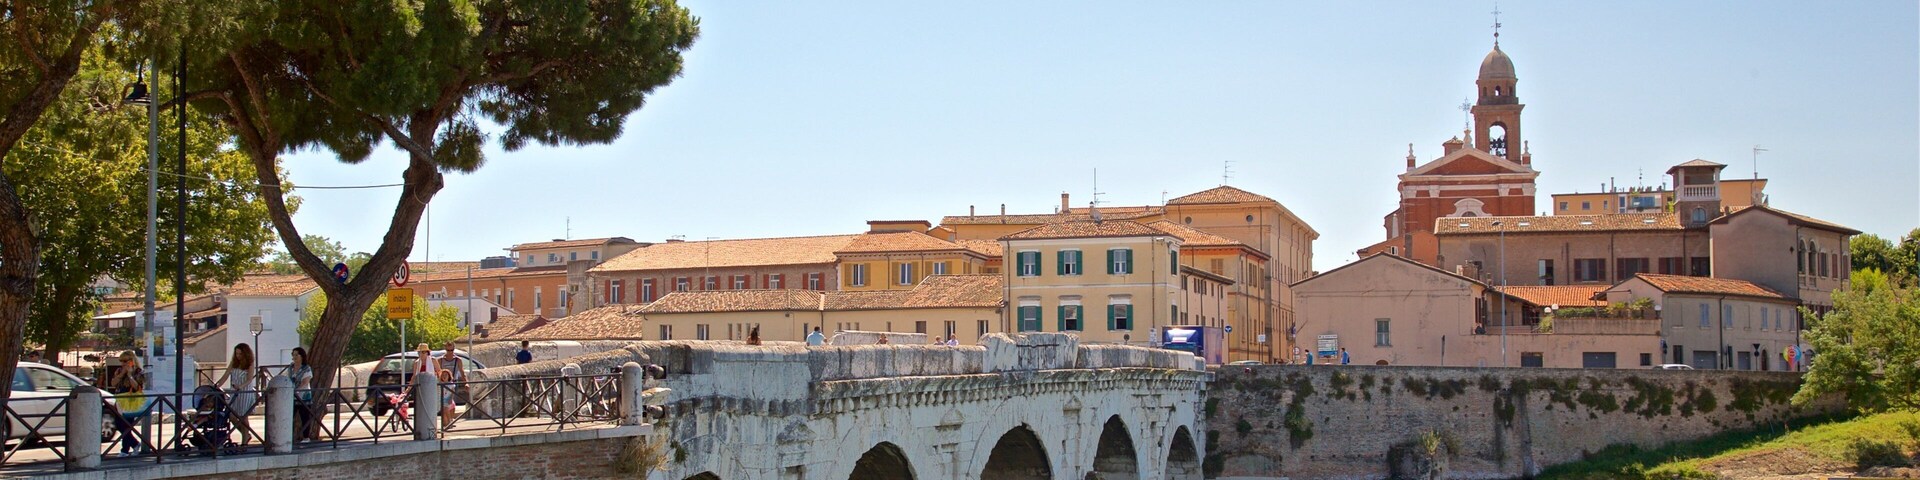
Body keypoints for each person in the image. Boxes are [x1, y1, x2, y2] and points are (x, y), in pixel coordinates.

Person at [106, 351, 149, 455]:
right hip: (120, 399)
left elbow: (137, 387)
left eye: (125, 361)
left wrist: (130, 375)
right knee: (119, 424)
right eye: (121, 361)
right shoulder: (119, 370)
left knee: (126, 425)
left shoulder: (138, 371)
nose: (123, 363)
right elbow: (113, 383)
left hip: (131, 400)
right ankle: (134, 444)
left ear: (131, 360)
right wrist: (121, 374)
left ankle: (125, 450)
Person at [217, 343, 258, 445]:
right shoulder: (234, 363)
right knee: (232, 416)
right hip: (234, 393)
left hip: (245, 392)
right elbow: (226, 375)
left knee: (243, 418)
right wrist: (217, 385)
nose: (238, 356)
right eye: (237, 354)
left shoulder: (250, 364)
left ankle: (244, 441)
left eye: (240, 354)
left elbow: (249, 379)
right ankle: (246, 435)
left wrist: (241, 386)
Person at [288, 347, 318, 442]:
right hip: (292, 396)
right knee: (289, 417)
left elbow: (305, 381)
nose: (294, 357)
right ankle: (288, 436)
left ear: (302, 356)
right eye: (293, 355)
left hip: (304, 396)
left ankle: (306, 437)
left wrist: (297, 390)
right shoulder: (291, 367)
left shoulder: (306, 368)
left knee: (304, 417)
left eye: (297, 355)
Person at [436, 343, 464, 429]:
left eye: (451, 350)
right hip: (443, 385)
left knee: (451, 403)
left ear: (454, 349)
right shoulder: (440, 360)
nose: (450, 352)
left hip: (453, 384)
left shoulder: (458, 360)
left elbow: (462, 371)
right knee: (445, 405)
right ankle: (447, 422)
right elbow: (437, 372)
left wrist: (466, 382)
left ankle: (450, 420)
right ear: (445, 349)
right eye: (448, 350)